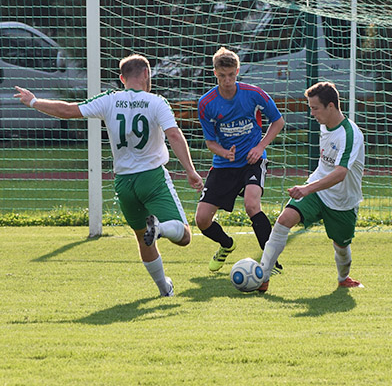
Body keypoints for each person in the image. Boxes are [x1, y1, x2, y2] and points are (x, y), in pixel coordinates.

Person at [14, 54, 204, 296]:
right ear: (147, 74)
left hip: (124, 183)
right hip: (152, 179)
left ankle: (164, 289)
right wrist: (190, 171)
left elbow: (69, 110)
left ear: (122, 78)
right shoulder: (157, 102)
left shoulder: (109, 100)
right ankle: (161, 228)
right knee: (185, 236)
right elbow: (175, 135)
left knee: (142, 239)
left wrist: (34, 102)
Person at [256, 81, 365, 292]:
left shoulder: (350, 134)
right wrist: (309, 188)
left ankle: (344, 278)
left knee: (341, 245)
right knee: (284, 220)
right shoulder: (324, 125)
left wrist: (307, 189)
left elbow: (341, 173)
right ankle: (263, 276)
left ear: (331, 106)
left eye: (315, 108)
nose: (312, 113)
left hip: (343, 200)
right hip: (317, 191)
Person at [195, 47, 285, 273]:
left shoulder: (253, 94)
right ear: (215, 72)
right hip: (224, 165)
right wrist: (224, 153)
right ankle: (226, 244)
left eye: (231, 75)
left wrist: (260, 146)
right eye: (222, 75)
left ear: (237, 71)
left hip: (251, 161)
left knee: (252, 204)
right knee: (202, 220)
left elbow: (278, 121)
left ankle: (269, 261)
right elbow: (210, 142)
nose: (227, 80)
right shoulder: (206, 103)